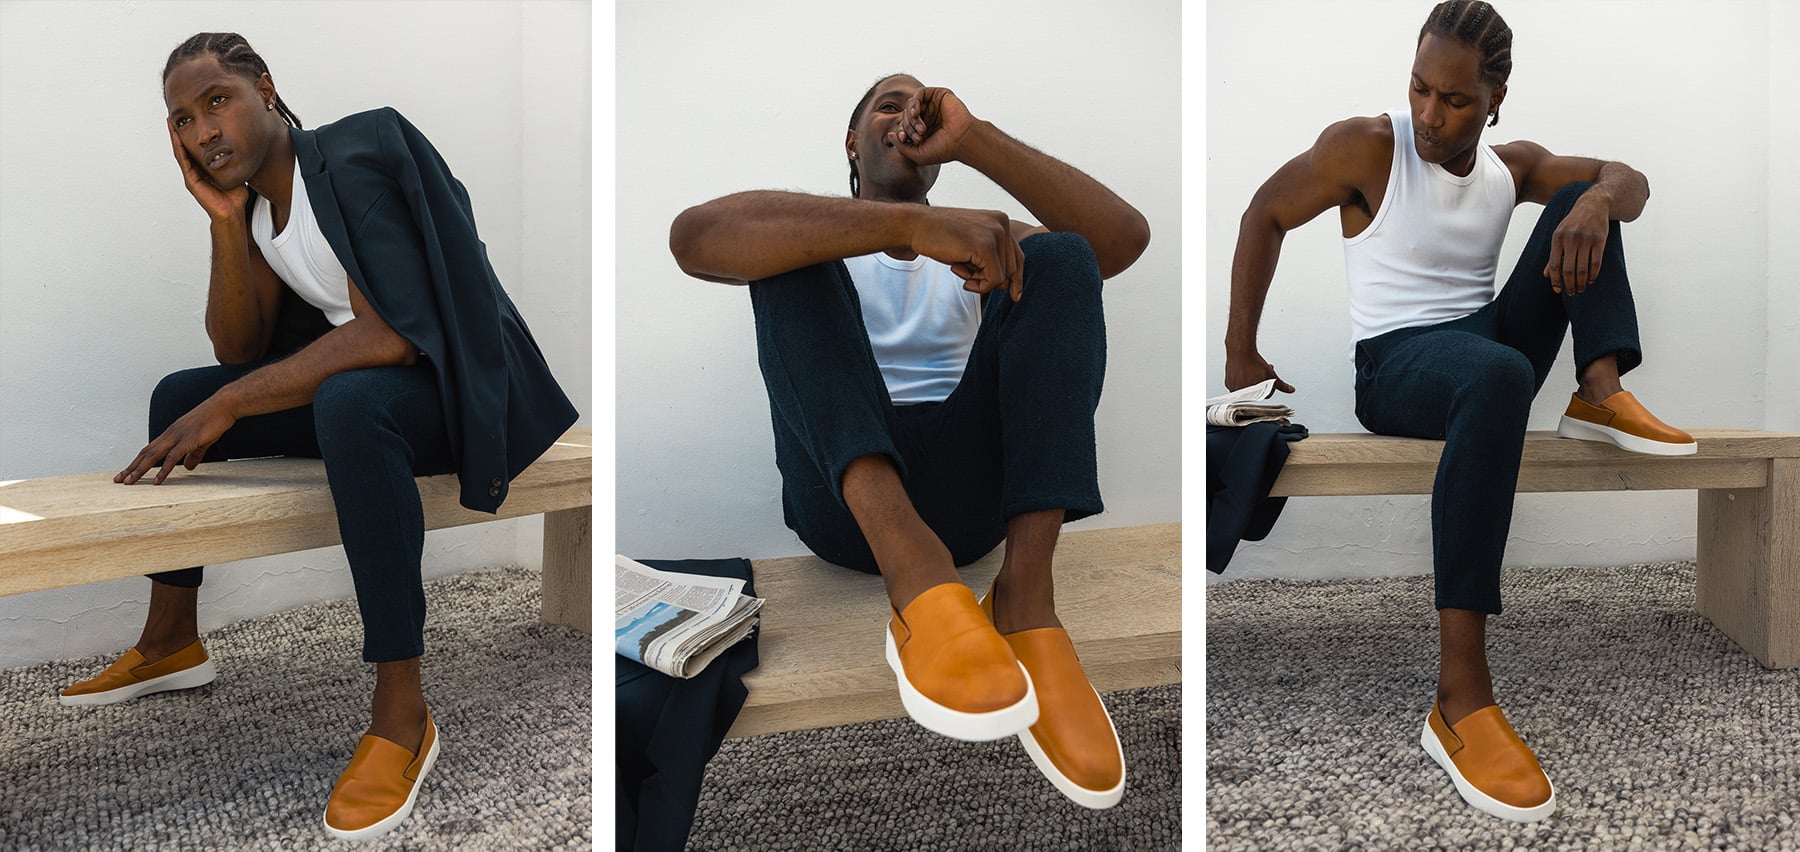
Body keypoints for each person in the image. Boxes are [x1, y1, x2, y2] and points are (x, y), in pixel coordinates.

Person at [57, 33, 578, 841]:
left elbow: (394, 333)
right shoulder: (261, 210)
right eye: (184, 120)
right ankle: (170, 641)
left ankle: (402, 711)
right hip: (369, 386)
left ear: (265, 88)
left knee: (344, 403)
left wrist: (233, 404)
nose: (204, 132)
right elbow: (239, 348)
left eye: (217, 101)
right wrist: (227, 225)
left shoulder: (360, 146)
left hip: (458, 386)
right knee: (178, 395)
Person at [1223, 0, 1693, 823]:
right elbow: (1262, 213)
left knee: (1581, 200)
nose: (1431, 117)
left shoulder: (1509, 167)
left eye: (1456, 101)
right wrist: (1241, 354)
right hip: (1395, 366)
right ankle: (1460, 697)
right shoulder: (1369, 145)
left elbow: (1632, 183)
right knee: (1501, 373)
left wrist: (1594, 202)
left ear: (1496, 98)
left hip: (1480, 352)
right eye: (1420, 90)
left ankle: (1601, 389)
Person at [668, 73, 1150, 809]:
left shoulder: (982, 238)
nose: (905, 116)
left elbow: (1116, 243)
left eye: (920, 110)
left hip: (971, 506)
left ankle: (1026, 600)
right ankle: (916, 577)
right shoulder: (813, 229)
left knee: (1062, 256)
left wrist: (973, 140)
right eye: (886, 106)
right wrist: (908, 226)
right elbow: (694, 238)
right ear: (852, 141)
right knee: (782, 255)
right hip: (850, 509)